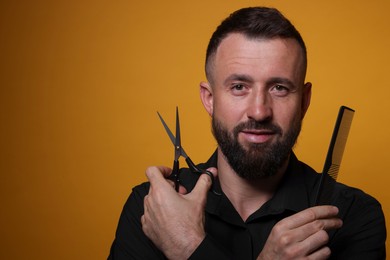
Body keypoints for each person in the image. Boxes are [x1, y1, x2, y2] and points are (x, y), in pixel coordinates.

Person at [108, 7, 386, 259]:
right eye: (239, 86)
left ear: (303, 100)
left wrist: (187, 246)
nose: (259, 111)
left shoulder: (354, 216)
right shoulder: (155, 208)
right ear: (209, 98)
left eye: (279, 88)